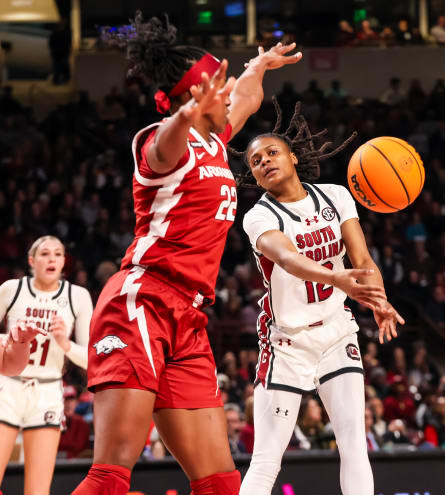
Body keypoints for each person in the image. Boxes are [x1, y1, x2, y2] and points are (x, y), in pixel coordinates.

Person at [72, 11, 301, 495]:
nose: (231, 88)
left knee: (220, 482)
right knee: (111, 473)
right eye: (221, 82)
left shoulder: (215, 140)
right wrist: (183, 114)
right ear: (197, 97)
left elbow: (246, 96)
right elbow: (166, 140)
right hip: (141, 302)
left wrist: (257, 67)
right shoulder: (161, 143)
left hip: (189, 316)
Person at [236, 99, 404, 495]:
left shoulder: (336, 196)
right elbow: (290, 260)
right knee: (266, 460)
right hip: (286, 342)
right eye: (256, 162)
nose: (264, 162)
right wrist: (341, 280)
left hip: (336, 332)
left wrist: (378, 298)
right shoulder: (259, 217)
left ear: (293, 156)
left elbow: (362, 260)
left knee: (353, 445)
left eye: (271, 152)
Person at [0, 235, 93, 495]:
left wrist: (65, 343)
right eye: (44, 253)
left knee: (38, 491)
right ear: (32, 261)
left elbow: (90, 359)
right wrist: (9, 341)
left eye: (58, 254)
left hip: (48, 391)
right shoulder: (11, 289)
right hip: (7, 388)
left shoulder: (78, 297)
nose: (51, 258)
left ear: (64, 262)